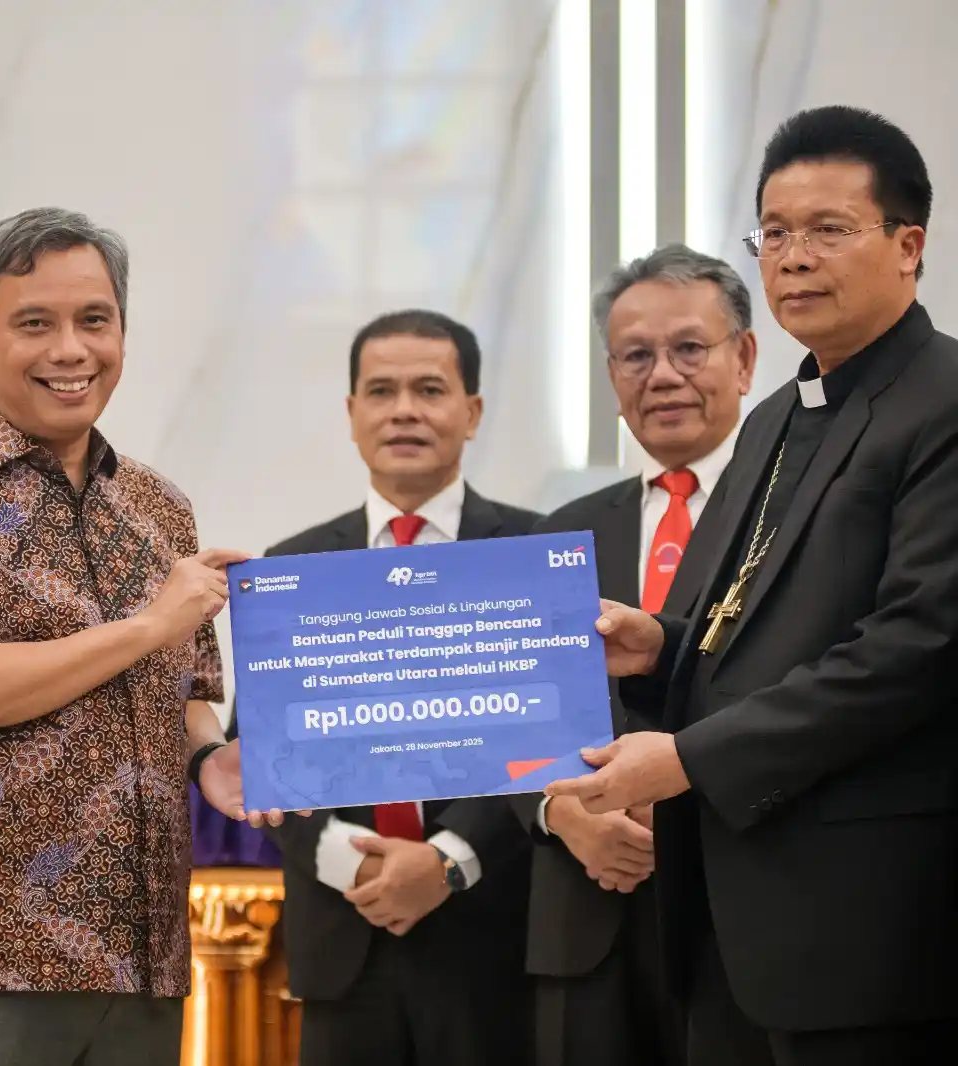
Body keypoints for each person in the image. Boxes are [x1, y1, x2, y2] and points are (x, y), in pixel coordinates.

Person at [546, 105, 958, 1063]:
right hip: (733, 918)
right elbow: (749, 627)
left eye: (828, 229)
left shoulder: (942, 403)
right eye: (774, 233)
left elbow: (917, 647)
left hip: (874, 922)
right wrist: (660, 646)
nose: (795, 256)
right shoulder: (777, 417)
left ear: (909, 246)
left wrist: (689, 757)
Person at [0, 207, 283, 1066]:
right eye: (34, 324)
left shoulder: (160, 507)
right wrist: (149, 624)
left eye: (94, 321)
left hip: (146, 961)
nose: (70, 351)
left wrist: (210, 758)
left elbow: (190, 693)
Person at [255, 310, 539, 1066]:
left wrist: (449, 861)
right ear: (352, 414)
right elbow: (267, 760)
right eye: (381, 391)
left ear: (471, 412)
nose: (404, 409)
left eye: (429, 389)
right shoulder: (293, 567)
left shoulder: (532, 554)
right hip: (345, 938)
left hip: (497, 937)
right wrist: (360, 865)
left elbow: (556, 739)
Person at [512, 244, 756, 1066]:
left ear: (745, 357)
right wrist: (564, 813)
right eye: (636, 356)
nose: (663, 375)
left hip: (745, 915)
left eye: (690, 348)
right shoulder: (558, 534)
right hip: (588, 917)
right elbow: (511, 719)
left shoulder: (789, 516)